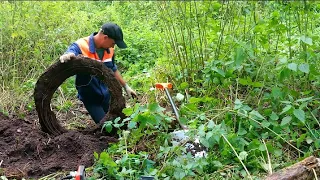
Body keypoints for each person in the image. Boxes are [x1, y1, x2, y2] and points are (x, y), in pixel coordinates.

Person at [59, 22, 137, 123]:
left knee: (119, 121)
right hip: (91, 98)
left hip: (107, 95)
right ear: (105, 37)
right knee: (104, 125)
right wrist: (68, 55)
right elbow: (71, 52)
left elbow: (113, 69)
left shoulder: (109, 50)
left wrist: (126, 87)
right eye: (113, 43)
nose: (113, 46)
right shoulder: (81, 45)